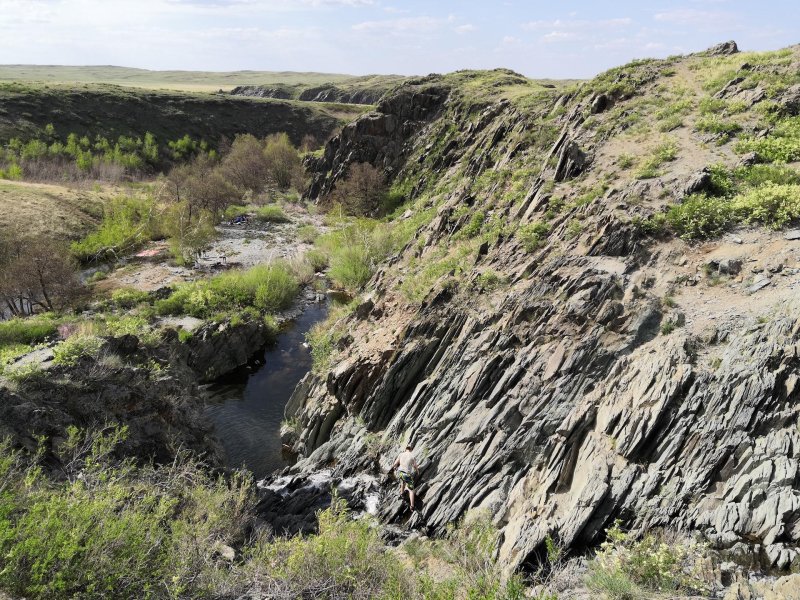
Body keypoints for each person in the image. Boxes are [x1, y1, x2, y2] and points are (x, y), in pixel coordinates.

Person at [392, 445, 419, 511]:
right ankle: (412, 506)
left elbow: (395, 463)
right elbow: (415, 466)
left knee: (402, 482)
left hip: (400, 472)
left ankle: (402, 494)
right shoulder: (412, 456)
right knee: (411, 490)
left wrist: (395, 468)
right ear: (411, 449)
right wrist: (418, 471)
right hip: (407, 474)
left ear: (405, 449)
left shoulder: (401, 454)